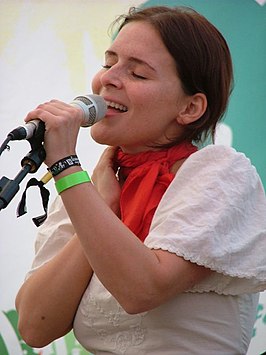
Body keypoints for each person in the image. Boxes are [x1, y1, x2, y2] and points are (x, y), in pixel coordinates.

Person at [15, 5, 266, 354]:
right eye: (108, 62)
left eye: (138, 74)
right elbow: (35, 325)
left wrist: (70, 172)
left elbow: (142, 290)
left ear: (190, 108)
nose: (108, 79)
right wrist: (101, 204)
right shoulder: (92, 188)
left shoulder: (222, 173)